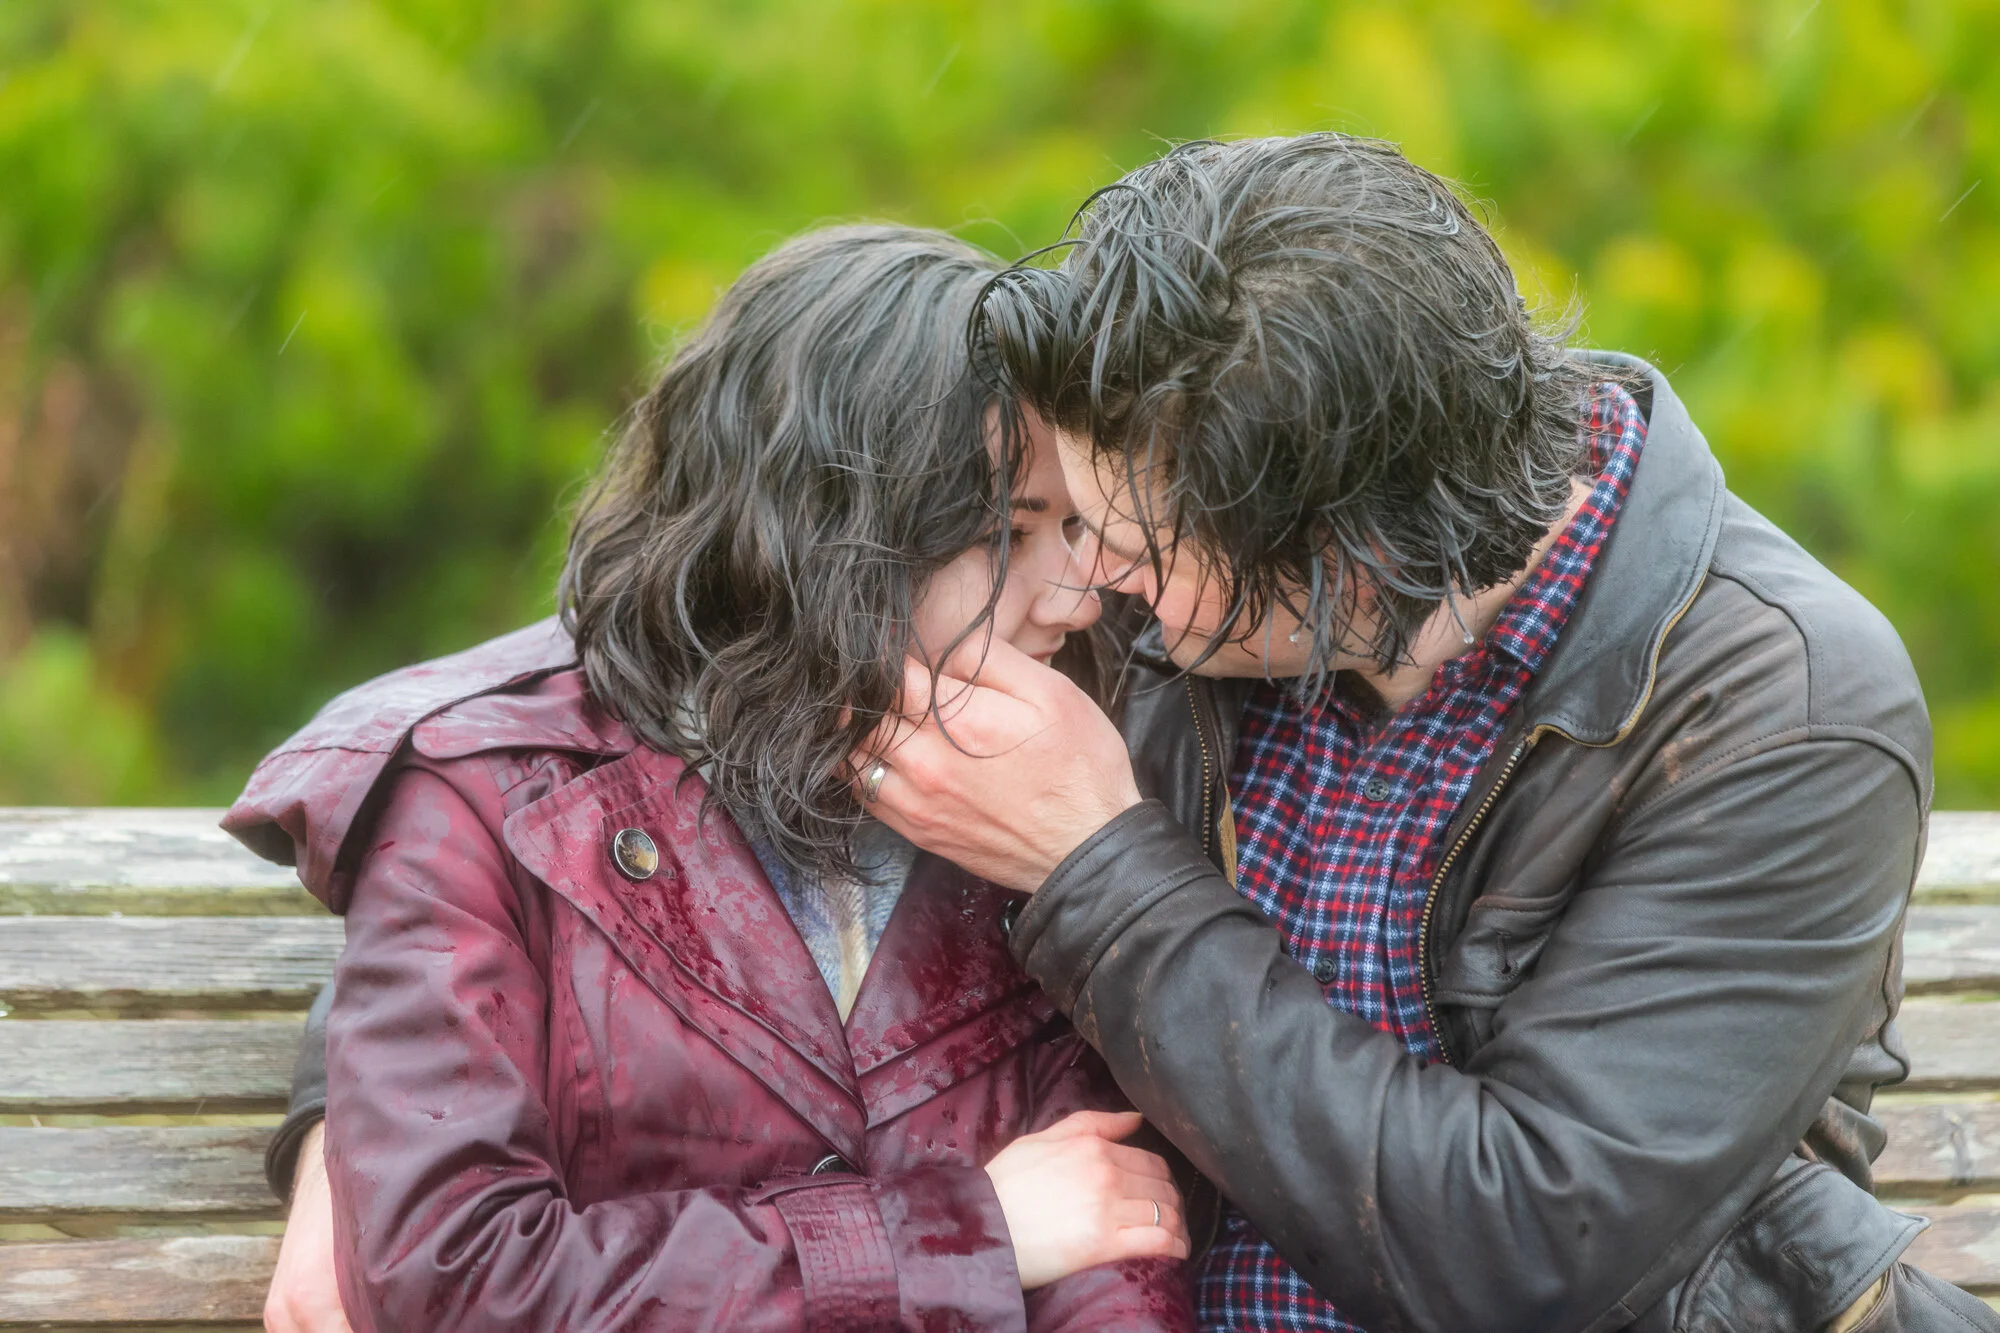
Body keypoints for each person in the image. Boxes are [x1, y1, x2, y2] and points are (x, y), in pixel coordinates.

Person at [856, 136, 1998, 1332]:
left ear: (1358, 565)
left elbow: (1523, 1257)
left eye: (1136, 547)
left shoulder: (1783, 712)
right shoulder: (1198, 581)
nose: (1089, 581)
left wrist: (1097, 868)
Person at [227, 225, 1195, 1333]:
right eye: (1010, 534)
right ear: (826, 534)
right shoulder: (492, 797)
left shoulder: (1060, 784)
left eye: (1078, 526)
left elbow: (1115, 1243)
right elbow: (456, 1281)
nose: (1080, 592)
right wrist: (965, 1231)